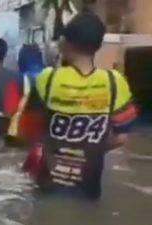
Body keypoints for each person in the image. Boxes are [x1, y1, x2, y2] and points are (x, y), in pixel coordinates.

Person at [23, 13, 137, 199]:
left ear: (65, 43)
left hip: (49, 185)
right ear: (98, 46)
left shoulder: (48, 78)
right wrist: (91, 149)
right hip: (88, 187)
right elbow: (121, 138)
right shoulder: (114, 82)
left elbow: (28, 129)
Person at [4, 44, 46, 146]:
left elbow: (9, 111)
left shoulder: (16, 79)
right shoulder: (53, 77)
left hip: (21, 134)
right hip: (45, 134)